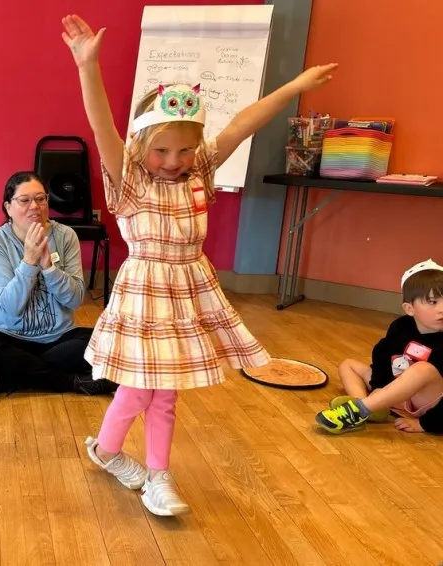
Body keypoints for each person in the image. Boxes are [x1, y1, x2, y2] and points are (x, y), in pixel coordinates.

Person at [61, 13, 337, 516]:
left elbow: (242, 123)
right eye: (163, 150)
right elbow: (101, 122)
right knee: (141, 389)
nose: (175, 159)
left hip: (189, 289)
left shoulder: (200, 169)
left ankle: (158, 476)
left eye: (185, 149)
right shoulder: (128, 179)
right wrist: (88, 66)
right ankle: (105, 450)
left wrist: (295, 85)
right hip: (145, 292)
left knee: (166, 393)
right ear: (141, 146)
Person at [0, 170, 117, 397]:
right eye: (24, 200)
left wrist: (49, 268)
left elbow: (76, 299)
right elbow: (10, 307)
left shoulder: (65, 236)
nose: (34, 206)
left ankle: (13, 373)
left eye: (40, 199)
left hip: (58, 337)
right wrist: (29, 261)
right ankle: (73, 382)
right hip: (10, 336)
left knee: (107, 339)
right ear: (8, 207)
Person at [316, 259, 443, 434]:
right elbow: (382, 355)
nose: (442, 309)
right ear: (409, 309)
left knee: (423, 370)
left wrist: (425, 424)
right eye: (432, 302)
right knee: (349, 365)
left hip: (430, 402)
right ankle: (367, 408)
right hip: (398, 391)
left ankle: (358, 409)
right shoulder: (400, 327)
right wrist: (378, 387)